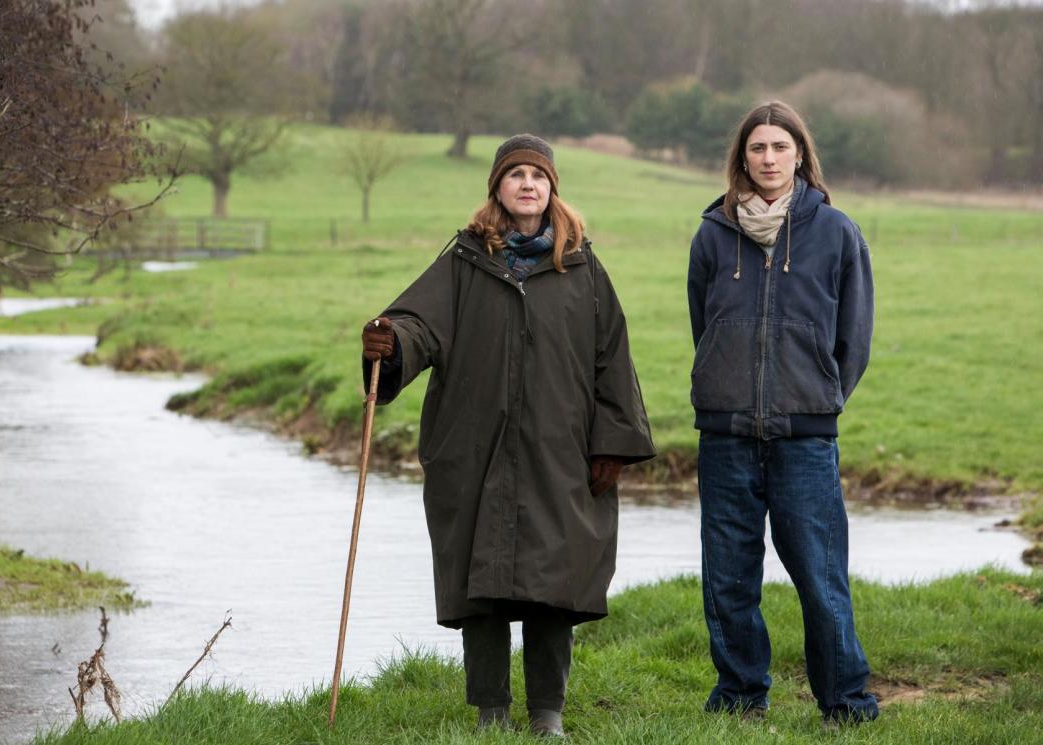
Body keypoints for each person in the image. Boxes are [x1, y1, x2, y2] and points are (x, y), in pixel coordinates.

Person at [360, 134, 655, 737]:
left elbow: (613, 360)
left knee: (555, 583)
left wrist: (612, 446)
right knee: (483, 582)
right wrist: (390, 342)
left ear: (553, 189)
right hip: (473, 448)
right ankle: (491, 711)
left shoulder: (583, 269)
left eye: (539, 176)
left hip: (560, 452)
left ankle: (548, 713)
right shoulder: (464, 263)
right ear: (497, 186)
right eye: (515, 174)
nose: (528, 184)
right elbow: (419, 325)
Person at [686, 101, 879, 725]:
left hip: (804, 439)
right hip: (726, 436)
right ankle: (741, 697)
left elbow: (854, 339)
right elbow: (703, 324)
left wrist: (817, 398)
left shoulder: (837, 232)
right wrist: (728, 387)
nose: (768, 159)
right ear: (742, 157)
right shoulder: (713, 233)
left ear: (800, 155)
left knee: (822, 581)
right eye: (757, 149)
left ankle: (845, 703)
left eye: (780, 148)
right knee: (728, 581)